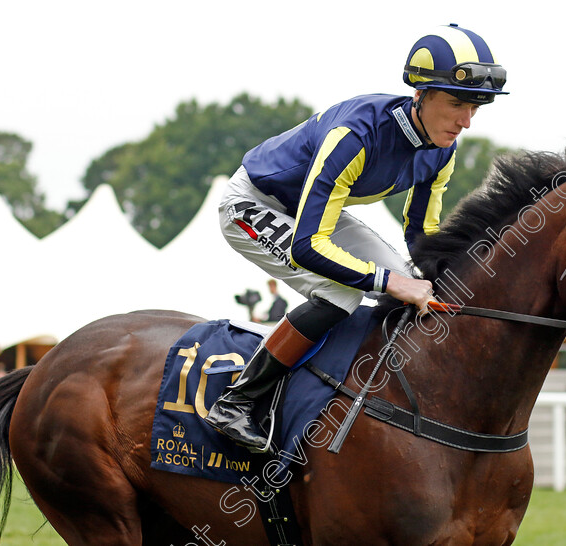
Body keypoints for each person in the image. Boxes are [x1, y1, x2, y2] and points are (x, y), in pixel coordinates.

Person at [205, 24, 509, 452]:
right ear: (420, 95)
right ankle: (238, 401)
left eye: (476, 106)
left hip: (309, 209)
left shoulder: (443, 149)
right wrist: (388, 283)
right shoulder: (356, 135)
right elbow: (307, 246)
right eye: (456, 102)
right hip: (253, 204)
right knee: (342, 293)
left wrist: (455, 284)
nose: (465, 120)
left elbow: (422, 237)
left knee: (411, 278)